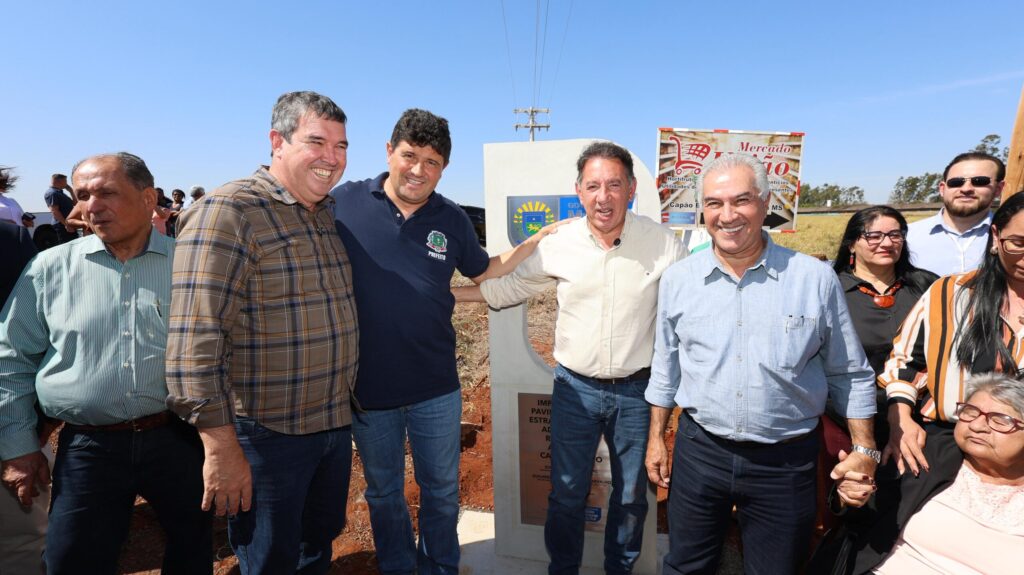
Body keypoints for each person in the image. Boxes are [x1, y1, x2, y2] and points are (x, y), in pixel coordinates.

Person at [331, 108, 552, 574]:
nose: (418, 170)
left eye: (432, 162)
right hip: (367, 389)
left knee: (441, 491)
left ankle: (440, 567)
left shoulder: (450, 218)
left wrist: (534, 242)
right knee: (384, 492)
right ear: (389, 152)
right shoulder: (343, 204)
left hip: (435, 387)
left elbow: (484, 270)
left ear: (444, 168)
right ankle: (398, 565)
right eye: (409, 156)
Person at [453, 141, 686, 574]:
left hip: (638, 393)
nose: (604, 197)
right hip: (574, 390)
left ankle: (620, 568)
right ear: (579, 191)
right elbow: (510, 288)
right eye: (593, 186)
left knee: (632, 496)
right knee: (565, 494)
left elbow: (687, 311)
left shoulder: (663, 244)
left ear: (631, 189)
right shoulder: (560, 244)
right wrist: (448, 295)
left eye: (614, 185)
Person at [645, 154, 878, 575]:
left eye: (742, 200)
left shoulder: (813, 279)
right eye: (714, 203)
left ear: (765, 203)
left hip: (785, 464)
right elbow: (666, 367)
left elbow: (849, 372)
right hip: (701, 453)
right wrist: (657, 439)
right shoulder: (679, 281)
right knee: (685, 566)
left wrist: (864, 450)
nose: (727, 215)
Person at [166, 91, 358, 574]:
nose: (332, 157)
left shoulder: (323, 214)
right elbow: (194, 344)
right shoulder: (230, 212)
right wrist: (220, 448)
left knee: (316, 547)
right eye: (317, 142)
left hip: (331, 427)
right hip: (266, 438)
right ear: (277, 141)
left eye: (340, 146)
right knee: (270, 560)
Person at [0, 152, 211, 574]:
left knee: (193, 550)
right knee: (72, 558)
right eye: (83, 195)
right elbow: (11, 359)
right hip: (89, 447)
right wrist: (19, 446)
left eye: (106, 193)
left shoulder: (193, 266)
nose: (91, 206)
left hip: (180, 440)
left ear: (148, 198)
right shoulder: (49, 268)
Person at [812, 373, 1024, 574]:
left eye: (1000, 420)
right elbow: (862, 516)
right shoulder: (924, 453)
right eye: (970, 411)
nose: (977, 426)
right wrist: (850, 494)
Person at [880, 190, 1024, 479]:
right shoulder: (950, 294)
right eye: (1018, 244)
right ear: (996, 236)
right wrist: (901, 421)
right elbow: (905, 364)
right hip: (949, 446)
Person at [830, 206, 938, 447]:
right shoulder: (830, 289)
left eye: (895, 235)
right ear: (851, 244)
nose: (887, 243)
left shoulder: (929, 286)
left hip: (921, 418)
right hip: (848, 420)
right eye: (874, 236)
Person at [905, 152, 1005, 276]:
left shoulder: (1013, 236)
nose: (966, 189)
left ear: (998, 189)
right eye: (956, 182)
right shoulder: (907, 237)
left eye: (979, 181)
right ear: (942, 189)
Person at [43, 173, 77, 244]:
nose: (66, 184)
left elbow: (75, 203)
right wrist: (66, 225)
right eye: (65, 181)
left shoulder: (60, 193)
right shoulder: (52, 193)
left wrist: (71, 191)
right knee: (67, 246)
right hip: (62, 225)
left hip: (68, 223)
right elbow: (54, 211)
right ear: (59, 181)